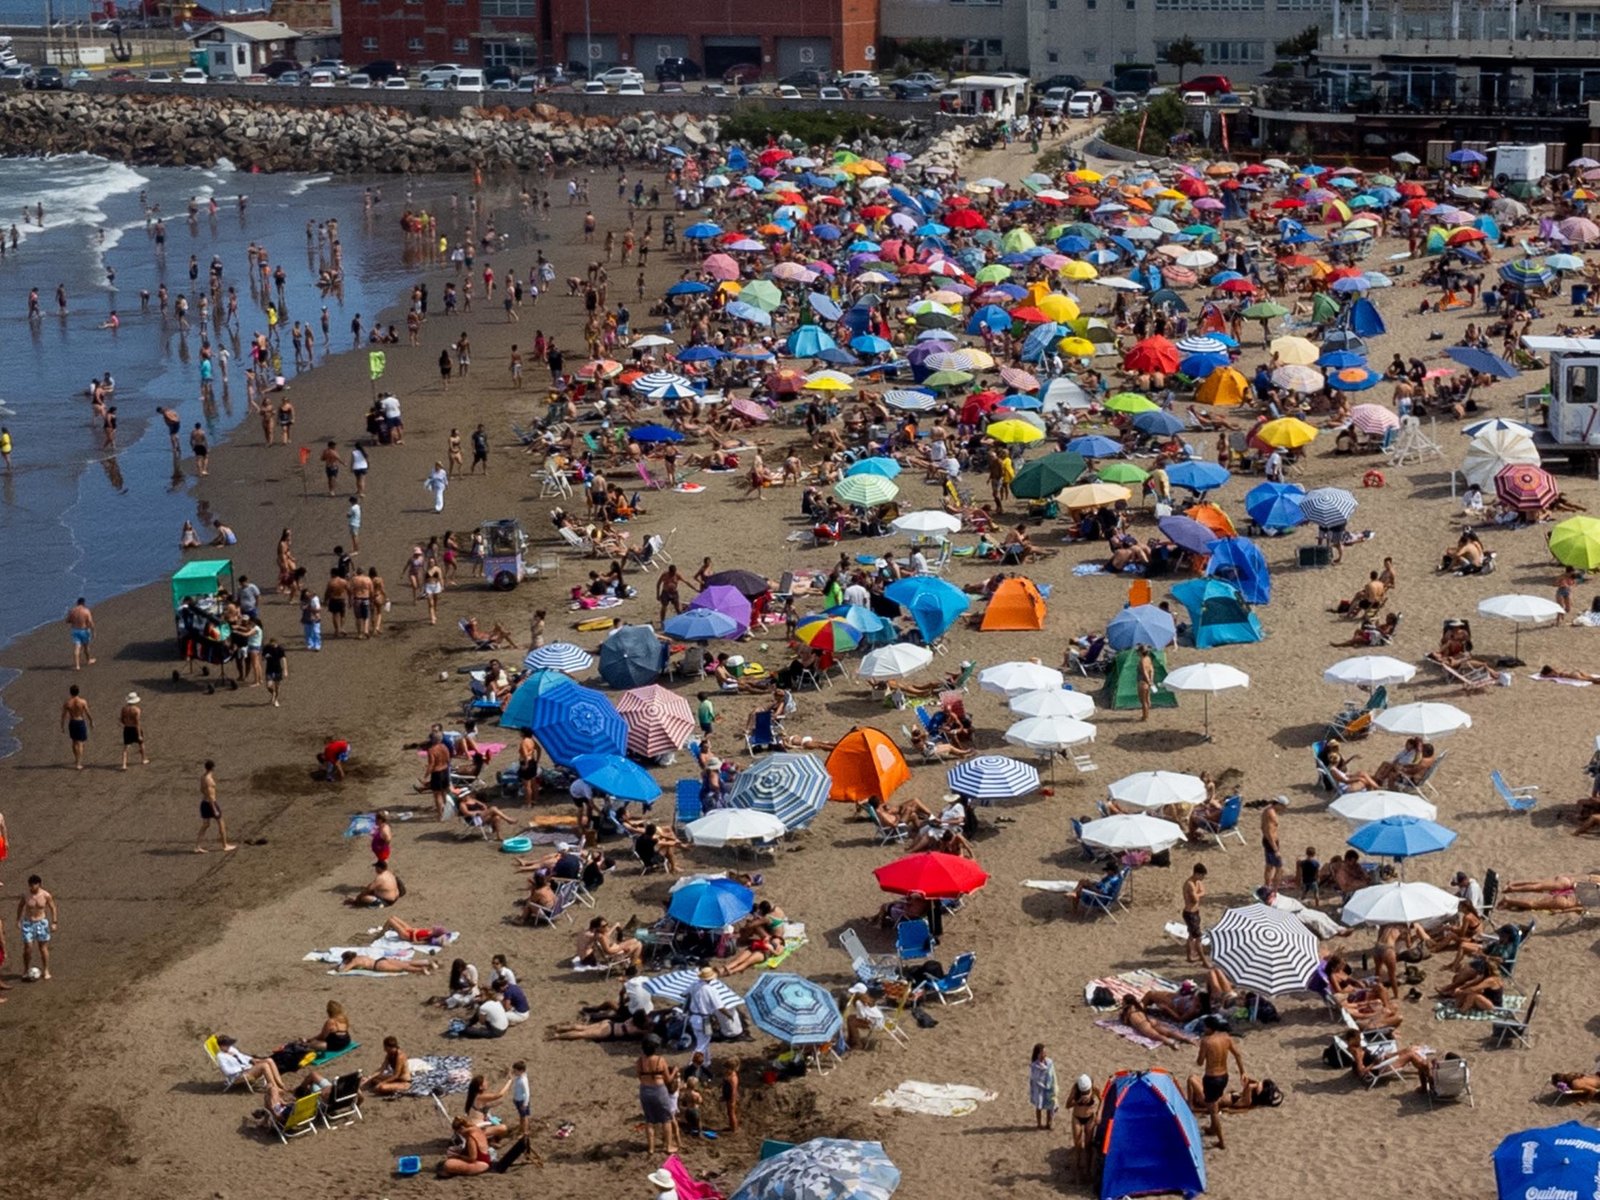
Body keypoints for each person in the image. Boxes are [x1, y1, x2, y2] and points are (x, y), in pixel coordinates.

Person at [1195, 1016, 1245, 1148]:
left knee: (1213, 1110)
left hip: (1212, 1078)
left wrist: (1202, 1052)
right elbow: (1237, 1054)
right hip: (1224, 1076)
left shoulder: (1206, 1041)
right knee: (1215, 1102)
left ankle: (1221, 1142)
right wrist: (1242, 1072)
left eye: (1205, 1026)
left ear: (1210, 1028)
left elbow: (1200, 1062)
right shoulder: (1226, 1037)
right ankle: (1212, 1128)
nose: (1203, 1029)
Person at [637, 1034, 680, 1155]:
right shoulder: (660, 1060)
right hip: (659, 1090)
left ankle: (651, 1148)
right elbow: (668, 1080)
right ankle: (668, 1146)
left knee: (649, 1120)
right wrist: (675, 1071)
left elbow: (640, 1077)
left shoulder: (639, 1061)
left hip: (645, 1090)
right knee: (666, 1119)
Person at [17, 874, 57, 980]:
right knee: (28, 947)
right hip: (28, 923)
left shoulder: (46, 895)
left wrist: (54, 922)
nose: (32, 887)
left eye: (34, 884)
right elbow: (20, 906)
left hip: (41, 923)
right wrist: (18, 920)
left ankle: (46, 969)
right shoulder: (26, 895)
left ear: (39, 884)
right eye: (30, 885)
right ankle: (26, 969)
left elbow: (52, 907)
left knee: (43, 948)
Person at [213, 1035, 289, 1091]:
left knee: (269, 1060)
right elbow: (227, 1071)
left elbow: (242, 1056)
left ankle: (281, 1085)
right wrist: (242, 1068)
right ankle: (275, 1088)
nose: (229, 1046)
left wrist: (251, 1059)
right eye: (227, 1045)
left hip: (248, 1068)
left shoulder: (231, 1049)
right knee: (264, 1066)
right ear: (221, 1046)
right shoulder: (220, 1057)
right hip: (239, 1075)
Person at [196, 759, 237, 853]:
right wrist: (214, 809)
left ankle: (197, 846)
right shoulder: (209, 780)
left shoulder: (203, 777)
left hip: (204, 803)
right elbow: (210, 796)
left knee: (205, 825)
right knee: (221, 823)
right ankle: (225, 845)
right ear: (213, 768)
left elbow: (201, 789)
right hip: (211, 803)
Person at [1066, 1074, 1097, 1178]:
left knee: (1088, 1146)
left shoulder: (1093, 1088)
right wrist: (1077, 1102)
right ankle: (1077, 1170)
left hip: (1089, 1117)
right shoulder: (1075, 1089)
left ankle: (1088, 1170)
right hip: (1077, 1117)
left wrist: (1098, 1114)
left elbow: (1102, 1099)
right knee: (1078, 1145)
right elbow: (1067, 1105)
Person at [1182, 863, 1208, 965]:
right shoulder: (1190, 884)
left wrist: (1198, 893)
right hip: (1190, 913)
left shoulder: (1197, 882)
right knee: (1198, 938)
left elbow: (1203, 892)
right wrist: (1199, 893)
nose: (1203, 878)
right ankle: (1204, 961)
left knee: (1191, 936)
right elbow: (1195, 899)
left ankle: (1189, 957)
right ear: (1197, 874)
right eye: (1202, 876)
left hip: (1195, 912)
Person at [60, 684, 91, 770]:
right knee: (80, 743)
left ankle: (76, 759)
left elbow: (63, 715)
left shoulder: (67, 703)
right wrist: (91, 721)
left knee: (74, 742)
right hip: (80, 721)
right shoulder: (83, 701)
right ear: (78, 692)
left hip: (72, 722)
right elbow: (87, 712)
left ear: (70, 692)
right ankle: (78, 763)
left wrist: (62, 725)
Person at [1029, 1043, 1058, 1130]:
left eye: (1045, 1052)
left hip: (1049, 1086)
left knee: (1050, 1105)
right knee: (1039, 1106)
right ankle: (1039, 1124)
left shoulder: (1049, 1062)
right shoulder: (1034, 1065)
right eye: (1043, 1053)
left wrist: (1053, 1085)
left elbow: (1053, 1074)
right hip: (1039, 1089)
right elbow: (1034, 1077)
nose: (1045, 1054)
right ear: (1038, 1054)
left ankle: (1049, 1123)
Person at [337, 950, 435, 975]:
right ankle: (427, 963)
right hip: (382, 959)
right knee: (406, 963)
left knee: (403, 968)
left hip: (378, 965)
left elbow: (342, 971)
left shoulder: (353, 962)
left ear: (347, 959)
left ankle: (421, 969)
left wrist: (342, 965)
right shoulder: (360, 956)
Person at [118, 690, 148, 770]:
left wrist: (125, 724)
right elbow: (137, 723)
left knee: (125, 747)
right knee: (141, 743)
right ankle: (143, 759)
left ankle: (124, 764)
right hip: (134, 728)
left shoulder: (124, 709)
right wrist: (139, 735)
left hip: (127, 728)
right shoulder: (136, 710)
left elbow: (121, 719)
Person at [1261, 795, 1286, 889]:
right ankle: (1274, 889)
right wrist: (1275, 849)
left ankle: (1267, 886)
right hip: (1271, 842)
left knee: (1269, 866)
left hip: (1268, 841)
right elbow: (1269, 832)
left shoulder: (1267, 811)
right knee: (1279, 867)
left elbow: (1263, 828)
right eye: (1283, 807)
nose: (1284, 809)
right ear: (1278, 804)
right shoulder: (1271, 814)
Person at [66, 597, 95, 669]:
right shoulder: (86, 611)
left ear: (77, 603)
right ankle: (88, 660)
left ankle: (77, 665)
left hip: (75, 630)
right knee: (86, 647)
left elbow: (67, 621)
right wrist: (93, 631)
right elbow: (90, 622)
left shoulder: (72, 611)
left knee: (77, 647)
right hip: (84, 630)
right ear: (84, 603)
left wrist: (74, 620)